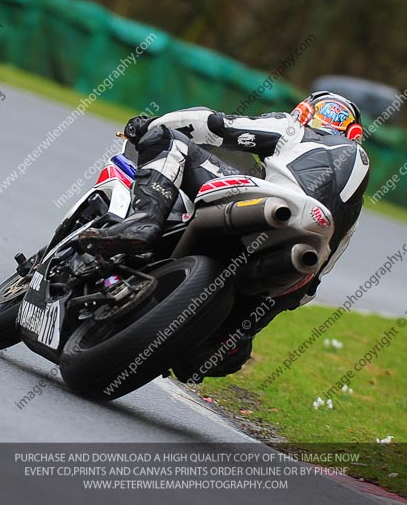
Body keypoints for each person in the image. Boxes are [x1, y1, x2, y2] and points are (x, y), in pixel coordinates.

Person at [79, 91, 370, 382]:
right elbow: (313, 283)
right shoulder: (355, 203)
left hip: (267, 205)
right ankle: (219, 343)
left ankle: (142, 223)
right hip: (297, 266)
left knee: (168, 141)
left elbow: (217, 125)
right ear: (354, 133)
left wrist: (151, 125)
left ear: (304, 113)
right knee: (223, 347)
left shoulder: (293, 127)